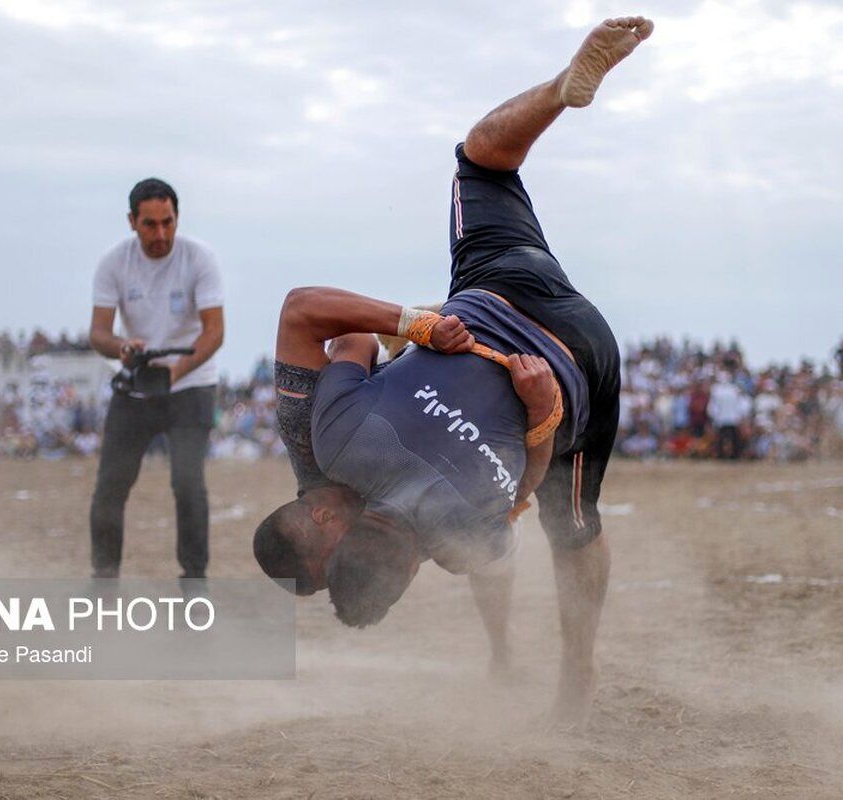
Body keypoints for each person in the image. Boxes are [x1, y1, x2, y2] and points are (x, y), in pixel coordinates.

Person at [254, 17, 653, 726]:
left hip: (532, 327)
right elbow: (502, 503)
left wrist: (419, 328)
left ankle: (564, 87)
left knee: (481, 159)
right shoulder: (366, 474)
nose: (347, 569)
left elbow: (315, 320)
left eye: (330, 564)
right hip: (549, 349)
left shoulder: (317, 442)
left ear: (321, 518)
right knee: (518, 532)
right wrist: (537, 418)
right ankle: (524, 659)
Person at [88, 178, 225, 579]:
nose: (161, 234)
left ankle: (194, 583)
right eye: (150, 224)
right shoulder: (113, 263)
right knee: (111, 485)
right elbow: (97, 333)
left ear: (177, 217)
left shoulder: (199, 259)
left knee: (187, 484)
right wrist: (122, 348)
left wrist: (175, 372)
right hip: (134, 384)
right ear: (131, 221)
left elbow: (215, 332)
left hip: (191, 382)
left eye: (168, 222)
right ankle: (104, 578)